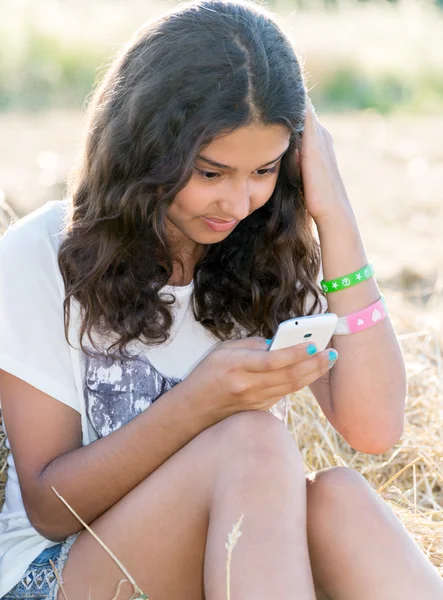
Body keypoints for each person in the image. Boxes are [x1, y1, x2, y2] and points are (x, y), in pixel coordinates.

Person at [0, 1, 442, 598]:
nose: (237, 204)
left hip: (222, 563)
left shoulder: (264, 249)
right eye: (210, 174)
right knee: (252, 441)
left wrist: (334, 211)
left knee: (340, 499)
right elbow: (51, 509)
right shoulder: (43, 253)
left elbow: (373, 427)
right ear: (145, 148)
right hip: (61, 573)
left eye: (263, 171)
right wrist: (201, 402)